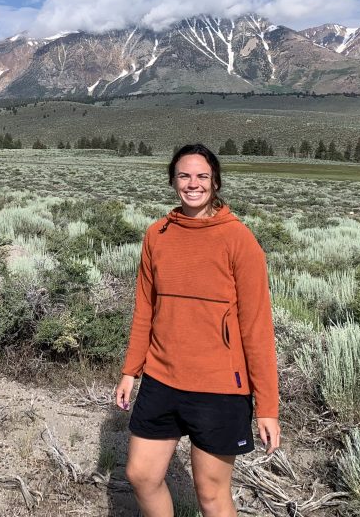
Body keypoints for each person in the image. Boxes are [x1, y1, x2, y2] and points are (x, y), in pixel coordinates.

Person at [114, 143, 280, 517]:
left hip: (219, 388)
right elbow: (146, 310)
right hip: (161, 378)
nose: (193, 184)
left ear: (216, 183)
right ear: (173, 182)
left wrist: (267, 407)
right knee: (141, 475)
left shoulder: (239, 240)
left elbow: (257, 329)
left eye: (202, 176)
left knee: (210, 494)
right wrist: (130, 371)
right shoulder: (157, 235)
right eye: (185, 176)